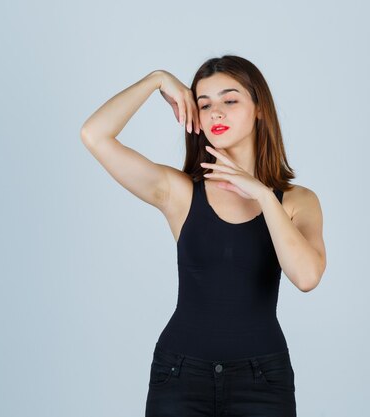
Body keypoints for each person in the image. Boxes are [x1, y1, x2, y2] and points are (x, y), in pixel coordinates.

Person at [80, 55, 326, 417]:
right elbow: (94, 134)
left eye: (230, 100)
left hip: (262, 382)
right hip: (180, 376)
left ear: (260, 109)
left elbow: (306, 277)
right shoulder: (179, 193)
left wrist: (260, 193)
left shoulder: (296, 201)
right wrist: (156, 79)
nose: (216, 113)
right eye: (204, 104)